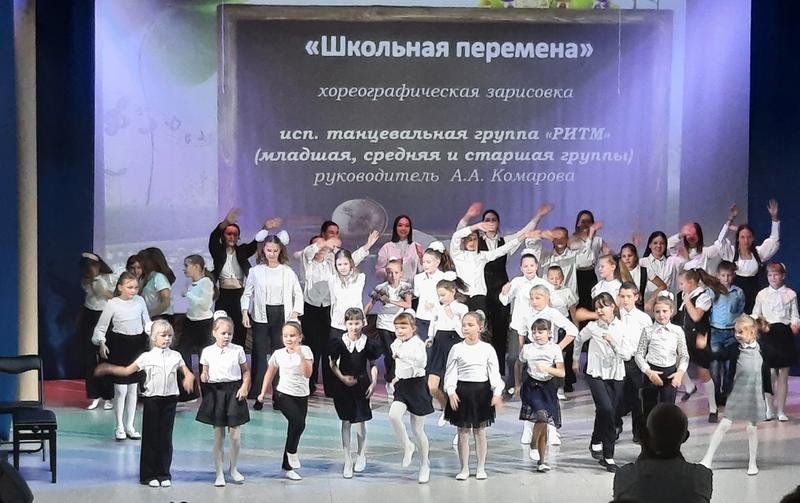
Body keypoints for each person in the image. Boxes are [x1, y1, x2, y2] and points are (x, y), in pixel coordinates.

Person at [95, 319, 195, 488]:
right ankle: (148, 475)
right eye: (163, 335)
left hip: (170, 400)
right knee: (151, 438)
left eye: (169, 336)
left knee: (165, 439)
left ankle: (163, 473)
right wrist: (109, 368)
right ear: (154, 338)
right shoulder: (147, 357)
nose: (167, 339)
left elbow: (187, 372)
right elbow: (127, 371)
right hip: (152, 400)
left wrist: (189, 378)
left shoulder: (176, 356)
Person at [240, 232, 303, 409]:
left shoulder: (287, 271)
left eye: (275, 250)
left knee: (279, 355)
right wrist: (245, 312)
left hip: (282, 315)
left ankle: (279, 395)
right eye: (269, 250)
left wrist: (295, 314)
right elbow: (247, 294)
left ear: (280, 250)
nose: (272, 254)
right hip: (261, 316)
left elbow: (297, 293)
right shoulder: (255, 271)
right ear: (263, 250)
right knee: (260, 356)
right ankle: (257, 394)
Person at [700, 315, 769, 475]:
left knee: (751, 428)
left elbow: (776, 359)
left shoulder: (762, 349)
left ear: (752, 331)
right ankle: (708, 458)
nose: (737, 335)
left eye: (740, 332)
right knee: (724, 424)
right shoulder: (734, 349)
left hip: (754, 393)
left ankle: (752, 462)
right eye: (736, 331)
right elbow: (717, 356)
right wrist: (704, 349)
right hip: (737, 392)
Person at [444, 310, 504, 480]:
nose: (466, 328)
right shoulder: (456, 349)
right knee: (463, 432)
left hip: (481, 392)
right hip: (462, 391)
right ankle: (464, 468)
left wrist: (497, 392)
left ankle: (480, 467)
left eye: (470, 325)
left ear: (480, 328)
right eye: (464, 325)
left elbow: (494, 373)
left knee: (480, 431)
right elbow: (450, 372)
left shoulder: (487, 349)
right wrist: (450, 391)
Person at [208, 207, 281, 348]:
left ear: (238, 237)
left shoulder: (241, 251)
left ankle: (239, 356)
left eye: (235, 235)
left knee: (240, 329)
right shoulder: (218, 251)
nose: (232, 237)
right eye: (229, 234)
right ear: (223, 236)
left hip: (239, 294)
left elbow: (255, 243)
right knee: (221, 327)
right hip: (223, 295)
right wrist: (225, 222)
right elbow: (213, 238)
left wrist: (265, 228)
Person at [613, 403, 713, 503]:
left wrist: (645, 449)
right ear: (685, 437)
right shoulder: (700, 477)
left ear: (646, 435)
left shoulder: (626, 476)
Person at [92, 271, 151, 440]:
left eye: (136, 287)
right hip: (119, 346)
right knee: (121, 389)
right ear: (120, 287)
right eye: (129, 287)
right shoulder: (113, 304)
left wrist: (154, 336)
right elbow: (101, 327)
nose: (133, 290)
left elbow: (147, 322)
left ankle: (130, 425)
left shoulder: (140, 301)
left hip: (137, 346)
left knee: (133, 388)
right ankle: (119, 425)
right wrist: (101, 342)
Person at [572, 293, 625, 472]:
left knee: (608, 411)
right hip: (595, 373)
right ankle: (609, 456)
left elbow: (627, 353)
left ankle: (596, 439)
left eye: (604, 306)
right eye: (597, 308)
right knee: (607, 410)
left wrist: (613, 344)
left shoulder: (622, 327)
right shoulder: (593, 327)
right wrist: (575, 360)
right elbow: (578, 339)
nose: (600, 311)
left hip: (616, 374)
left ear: (613, 307)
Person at [196, 313, 251, 487]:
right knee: (218, 436)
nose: (226, 337)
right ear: (214, 333)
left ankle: (233, 468)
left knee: (235, 436)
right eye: (223, 333)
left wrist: (244, 387)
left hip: (234, 391)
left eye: (229, 333)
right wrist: (204, 375)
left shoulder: (238, 350)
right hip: (216, 392)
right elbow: (204, 371)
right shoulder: (207, 351)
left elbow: (246, 372)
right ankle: (219, 473)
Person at [328, 308, 382, 478]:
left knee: (360, 422)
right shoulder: (339, 342)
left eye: (357, 323)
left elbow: (373, 364)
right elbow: (333, 364)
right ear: (345, 324)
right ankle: (347, 460)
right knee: (345, 421)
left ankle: (361, 454)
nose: (354, 327)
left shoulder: (368, 342)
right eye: (350, 323)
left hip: (361, 384)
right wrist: (342, 378)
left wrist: (374, 382)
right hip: (343, 386)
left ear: (363, 323)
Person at [257, 321, 313, 481]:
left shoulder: (306, 351)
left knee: (296, 428)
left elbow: (307, 374)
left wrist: (300, 356)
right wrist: (263, 392)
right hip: (283, 394)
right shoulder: (278, 354)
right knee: (298, 422)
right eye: (285, 336)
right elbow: (270, 372)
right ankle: (292, 453)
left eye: (292, 335)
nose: (289, 339)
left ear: (300, 337)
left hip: (302, 395)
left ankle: (286, 466)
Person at [387, 311, 433, 483]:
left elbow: (421, 362)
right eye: (397, 328)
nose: (400, 331)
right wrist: (396, 377)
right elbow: (398, 362)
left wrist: (403, 356)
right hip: (402, 386)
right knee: (393, 415)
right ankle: (407, 445)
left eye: (403, 327)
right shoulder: (396, 343)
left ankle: (424, 463)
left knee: (418, 429)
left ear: (413, 328)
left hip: (417, 386)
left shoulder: (417, 344)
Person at [675, 268, 727, 422]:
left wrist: (687, 301)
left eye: (682, 283)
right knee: (675, 359)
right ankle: (689, 386)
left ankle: (713, 407)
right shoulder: (683, 295)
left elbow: (696, 316)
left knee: (703, 373)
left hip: (699, 337)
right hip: (684, 336)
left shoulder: (702, 297)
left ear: (691, 283)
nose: (679, 287)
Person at [514, 318, 564, 472]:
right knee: (541, 416)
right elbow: (518, 364)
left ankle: (541, 461)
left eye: (540, 332)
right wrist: (517, 384)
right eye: (534, 332)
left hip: (548, 387)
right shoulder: (527, 349)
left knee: (545, 424)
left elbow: (561, 372)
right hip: (531, 386)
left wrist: (547, 369)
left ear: (549, 333)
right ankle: (533, 444)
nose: (537, 335)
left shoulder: (555, 349)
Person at [499, 250, 552, 395]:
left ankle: (531, 388)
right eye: (525, 266)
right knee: (513, 357)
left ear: (537, 266)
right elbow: (505, 301)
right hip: (518, 326)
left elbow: (552, 301)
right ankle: (510, 386)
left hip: (537, 328)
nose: (529, 269)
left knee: (534, 359)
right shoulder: (517, 282)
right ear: (521, 268)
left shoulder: (543, 283)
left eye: (531, 265)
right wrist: (504, 292)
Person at [751, 262, 800, 421]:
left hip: (784, 334)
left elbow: (795, 315)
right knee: (770, 373)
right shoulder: (762, 294)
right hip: (768, 334)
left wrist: (795, 324)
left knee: (783, 375)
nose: (773, 278)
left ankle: (781, 410)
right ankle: (769, 409)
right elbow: (756, 313)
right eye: (770, 275)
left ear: (783, 276)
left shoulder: (790, 294)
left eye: (776, 274)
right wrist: (755, 324)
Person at [716, 200, 780, 312]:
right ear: (737, 238)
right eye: (742, 237)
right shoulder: (732, 254)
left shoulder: (758, 254)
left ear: (753, 238)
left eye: (749, 237)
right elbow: (720, 241)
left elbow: (774, 240)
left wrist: (774, 219)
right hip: (734, 296)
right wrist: (730, 219)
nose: (746, 240)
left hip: (754, 295)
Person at [365, 258, 413, 398]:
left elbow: (408, 304)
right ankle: (390, 380)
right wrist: (362, 316)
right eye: (390, 272)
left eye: (396, 272)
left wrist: (390, 300)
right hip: (384, 324)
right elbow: (371, 304)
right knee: (389, 352)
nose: (393, 275)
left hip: (398, 325)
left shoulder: (405, 287)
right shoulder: (381, 288)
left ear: (401, 273)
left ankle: (394, 378)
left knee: (398, 353)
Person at [299, 233, 340, 395]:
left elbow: (347, 260)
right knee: (311, 348)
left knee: (328, 348)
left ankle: (330, 388)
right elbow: (309, 252)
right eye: (318, 246)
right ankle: (309, 384)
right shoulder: (307, 262)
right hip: (311, 308)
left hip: (328, 308)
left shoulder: (331, 262)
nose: (321, 249)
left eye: (324, 247)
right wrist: (324, 242)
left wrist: (366, 247)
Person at [635, 296, 689, 419]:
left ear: (671, 311)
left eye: (664, 311)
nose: (661, 315)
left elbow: (684, 355)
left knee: (668, 411)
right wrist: (649, 372)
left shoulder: (677, 331)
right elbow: (639, 355)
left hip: (670, 374)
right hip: (652, 373)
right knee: (649, 411)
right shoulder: (648, 331)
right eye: (657, 312)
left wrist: (680, 373)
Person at [426, 274, 469, 425]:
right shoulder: (438, 307)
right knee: (432, 386)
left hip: (454, 342)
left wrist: (453, 318)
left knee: (454, 384)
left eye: (443, 295)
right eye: (439, 295)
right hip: (439, 343)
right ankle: (446, 409)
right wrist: (430, 338)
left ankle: (460, 415)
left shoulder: (462, 308)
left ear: (453, 291)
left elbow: (463, 332)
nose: (441, 298)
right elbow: (433, 322)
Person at [614, 282, 652, 443]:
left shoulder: (643, 318)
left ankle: (638, 431)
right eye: (622, 296)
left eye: (629, 296)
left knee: (638, 398)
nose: (625, 300)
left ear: (636, 297)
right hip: (618, 362)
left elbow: (649, 342)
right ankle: (616, 426)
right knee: (616, 396)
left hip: (636, 362)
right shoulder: (615, 316)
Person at [79, 252, 115, 410]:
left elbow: (113, 296)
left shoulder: (110, 278)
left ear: (99, 265)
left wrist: (102, 287)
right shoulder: (85, 280)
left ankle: (109, 396)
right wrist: (92, 280)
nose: (90, 270)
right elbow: (90, 296)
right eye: (87, 267)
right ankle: (94, 395)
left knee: (105, 356)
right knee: (89, 357)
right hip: (90, 315)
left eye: (92, 266)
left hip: (105, 315)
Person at [708, 261, 745, 410]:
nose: (726, 278)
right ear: (718, 276)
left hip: (731, 333)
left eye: (729, 275)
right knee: (715, 365)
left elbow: (740, 310)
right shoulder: (712, 291)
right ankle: (715, 396)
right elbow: (707, 308)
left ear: (733, 275)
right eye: (723, 275)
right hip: (715, 331)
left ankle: (727, 394)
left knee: (730, 367)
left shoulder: (738, 292)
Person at [178, 254, 215, 401]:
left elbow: (205, 304)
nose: (184, 269)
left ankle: (208, 394)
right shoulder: (190, 283)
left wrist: (189, 294)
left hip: (204, 324)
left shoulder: (206, 282)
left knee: (204, 358)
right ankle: (189, 392)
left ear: (197, 267)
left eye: (187, 266)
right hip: (190, 322)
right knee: (182, 352)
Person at [413, 241, 453, 341]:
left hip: (437, 318)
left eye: (428, 262)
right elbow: (417, 293)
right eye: (423, 262)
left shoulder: (443, 278)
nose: (425, 265)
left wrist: (434, 304)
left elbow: (447, 299)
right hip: (421, 317)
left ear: (438, 261)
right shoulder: (418, 278)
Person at [375, 215, 425, 285]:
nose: (403, 228)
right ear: (395, 228)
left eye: (407, 226)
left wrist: (421, 258)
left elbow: (423, 272)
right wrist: (391, 269)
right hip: (391, 287)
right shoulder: (387, 247)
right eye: (400, 225)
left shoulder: (417, 247)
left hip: (410, 288)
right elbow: (378, 271)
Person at [619, 243, 668, 312]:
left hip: (638, 310)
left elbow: (662, 286)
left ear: (635, 256)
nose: (627, 258)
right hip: (621, 310)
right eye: (624, 256)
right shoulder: (618, 273)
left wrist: (651, 300)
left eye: (630, 255)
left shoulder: (645, 271)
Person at [639, 231, 687, 295]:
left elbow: (687, 262)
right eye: (655, 243)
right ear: (649, 245)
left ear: (665, 246)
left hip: (669, 300)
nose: (658, 246)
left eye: (662, 243)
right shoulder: (641, 262)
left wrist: (681, 235)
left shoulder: (672, 261)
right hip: (648, 300)